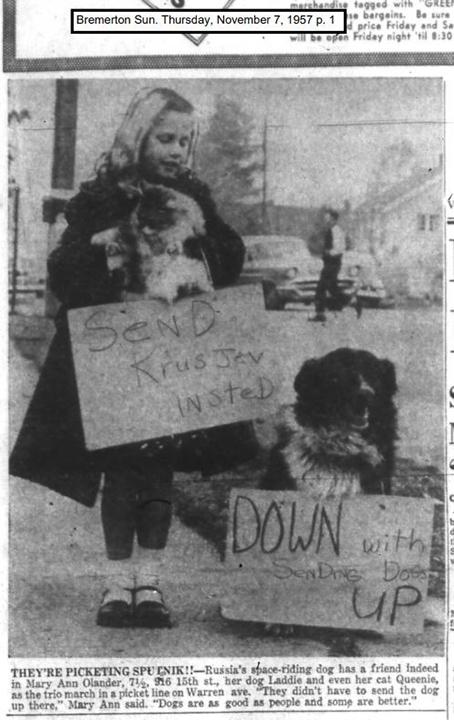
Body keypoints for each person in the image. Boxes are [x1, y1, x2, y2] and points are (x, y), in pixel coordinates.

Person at [10, 87, 252, 629]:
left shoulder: (194, 198)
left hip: (171, 359)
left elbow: (229, 261)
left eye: (184, 142)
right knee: (120, 472)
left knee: (159, 473)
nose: (175, 151)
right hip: (115, 361)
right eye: (165, 138)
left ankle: (152, 581)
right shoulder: (102, 199)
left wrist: (200, 231)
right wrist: (105, 244)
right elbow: (66, 272)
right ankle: (118, 581)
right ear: (136, 136)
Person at [311, 208, 361, 322]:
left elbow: (340, 248)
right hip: (331, 262)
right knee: (332, 288)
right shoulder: (332, 230)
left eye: (327, 217)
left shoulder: (336, 231)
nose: (325, 220)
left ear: (333, 219)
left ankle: (320, 313)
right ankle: (351, 301)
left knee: (321, 288)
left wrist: (329, 252)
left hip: (332, 262)